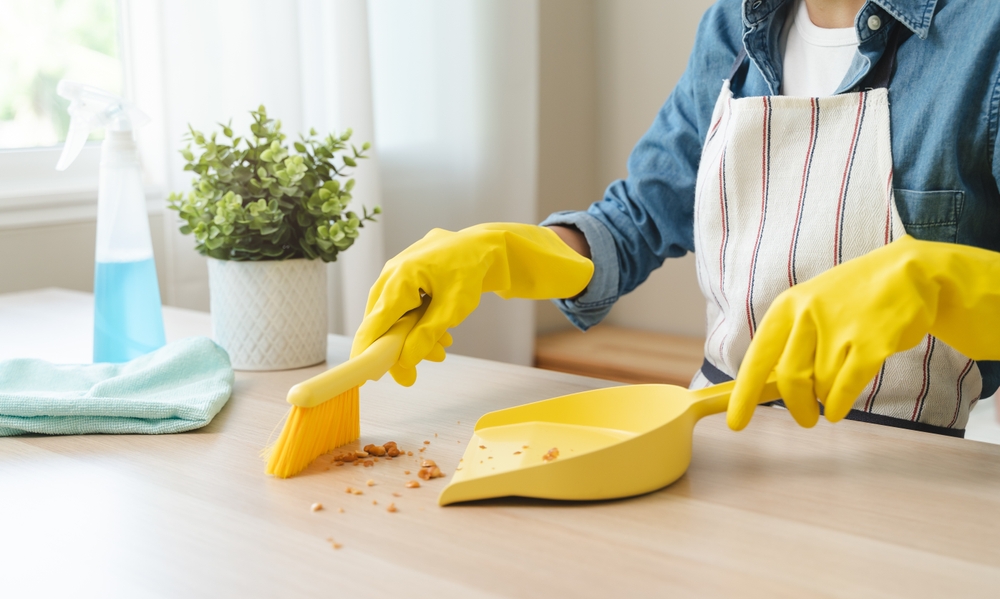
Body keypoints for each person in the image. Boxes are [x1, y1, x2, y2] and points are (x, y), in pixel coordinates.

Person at [352, 0, 1000, 437]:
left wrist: (939, 282)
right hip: (721, 434)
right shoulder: (734, 23)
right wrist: (508, 253)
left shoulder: (983, 34)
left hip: (914, 464)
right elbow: (639, 218)